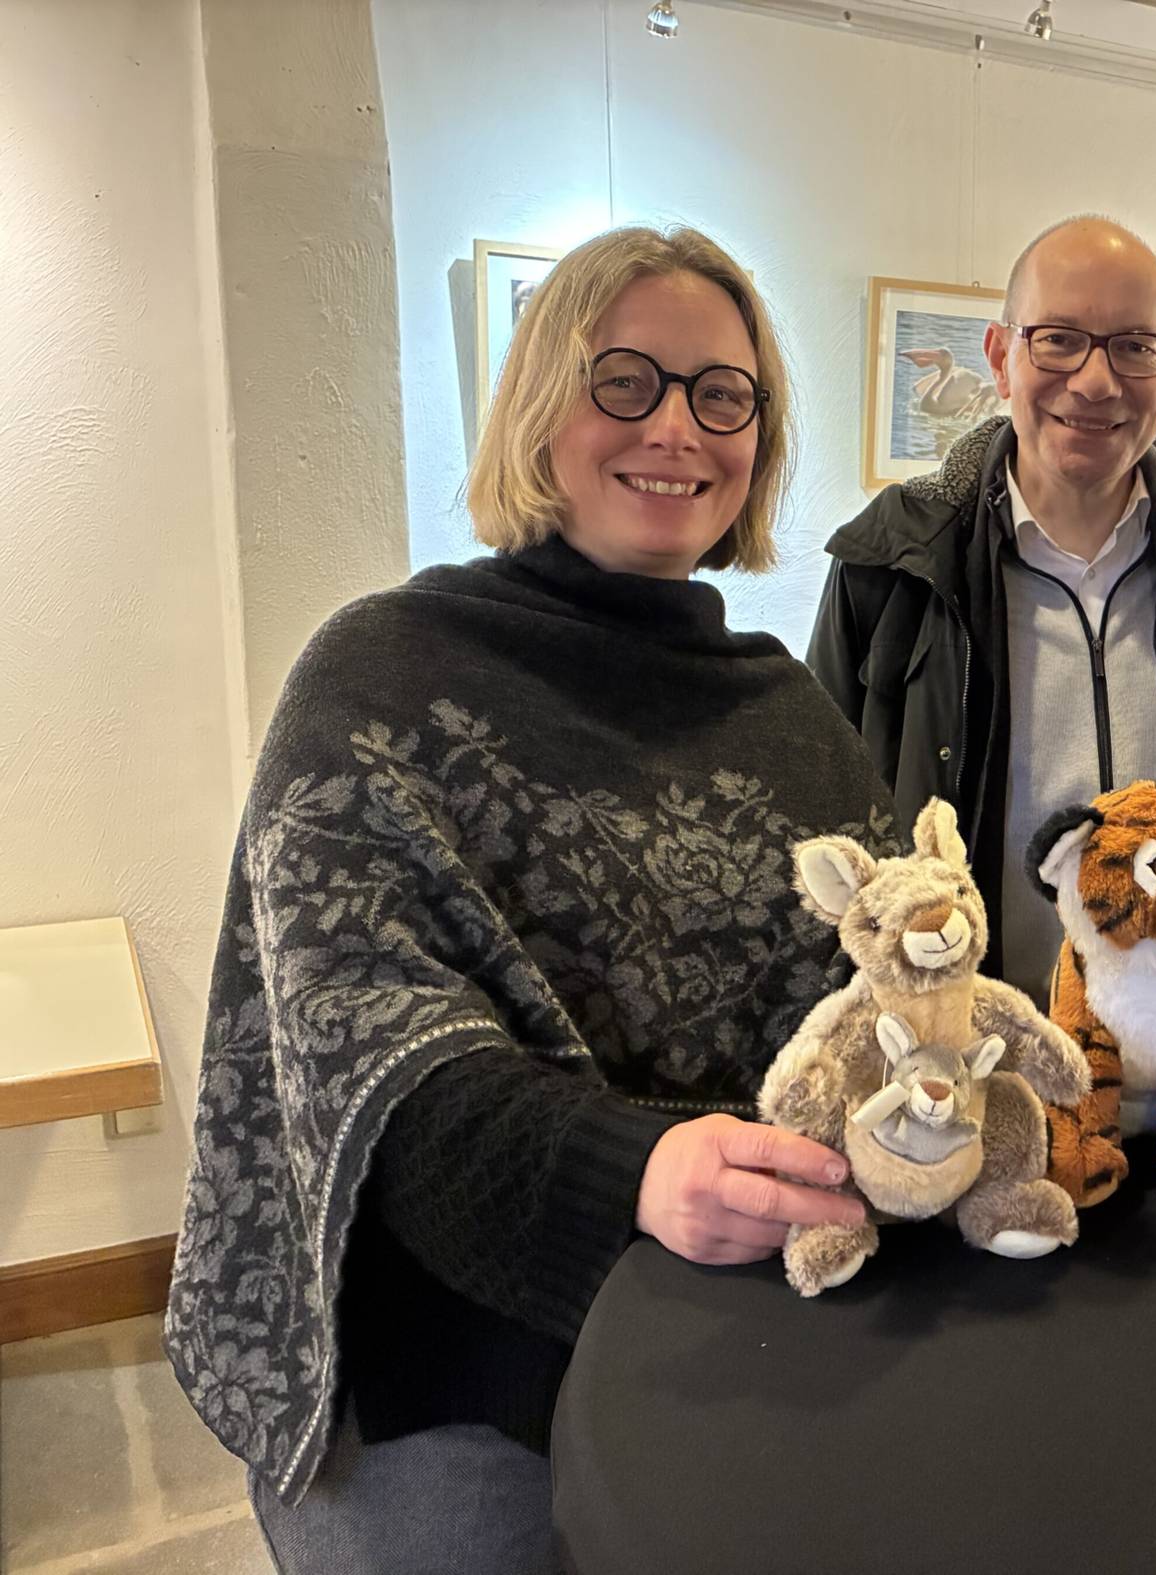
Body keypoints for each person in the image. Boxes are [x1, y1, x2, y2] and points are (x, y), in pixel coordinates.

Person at [163, 226, 887, 1572]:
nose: (677, 425)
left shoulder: (792, 715)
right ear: (539, 406)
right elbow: (368, 1052)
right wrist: (637, 1174)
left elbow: (880, 993)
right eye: (627, 378)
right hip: (444, 1366)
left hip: (724, 1313)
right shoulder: (377, 672)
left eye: (721, 394)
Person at [807, 216, 1156, 1002]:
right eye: (1060, 339)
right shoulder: (892, 568)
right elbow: (823, 824)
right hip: (965, 1062)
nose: (1097, 381)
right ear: (1001, 358)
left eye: (1134, 345)